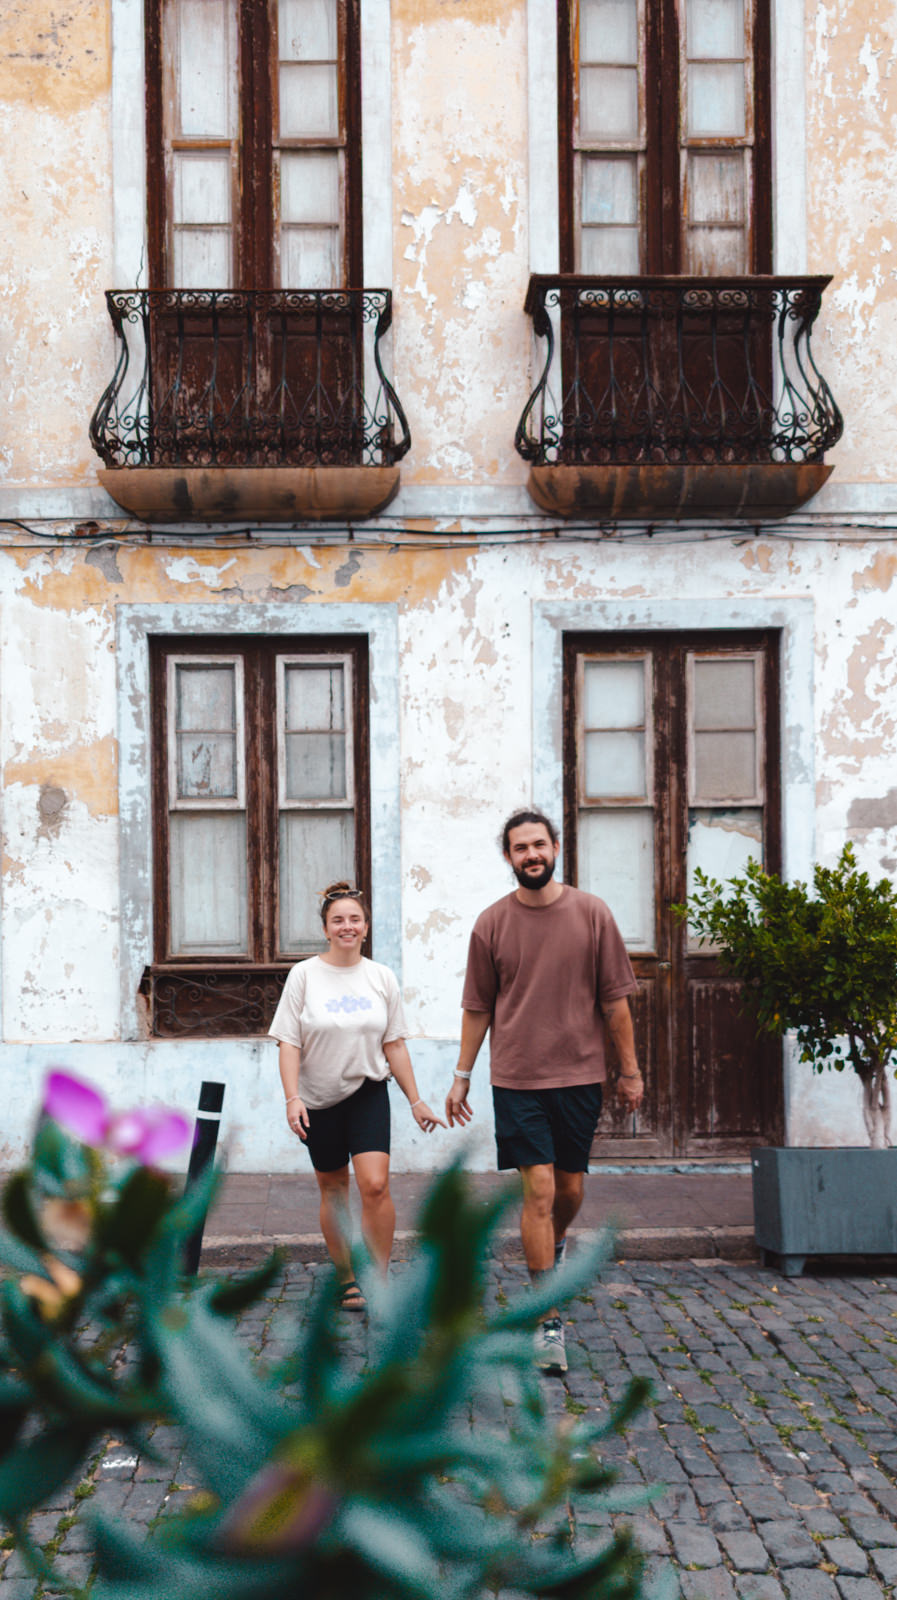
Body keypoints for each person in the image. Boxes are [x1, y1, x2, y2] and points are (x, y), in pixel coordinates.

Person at [445, 809, 644, 1373]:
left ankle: (549, 1248)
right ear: (508, 857)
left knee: (570, 1191)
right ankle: (545, 1319)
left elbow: (615, 1003)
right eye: (519, 848)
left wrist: (628, 1071)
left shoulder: (592, 913)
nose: (530, 855)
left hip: (580, 1076)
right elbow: (477, 1007)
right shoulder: (491, 924)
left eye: (538, 844)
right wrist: (461, 1075)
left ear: (555, 848)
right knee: (536, 1190)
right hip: (517, 1079)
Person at [270, 881, 445, 1310]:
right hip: (316, 1099)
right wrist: (292, 1098)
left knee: (375, 1184)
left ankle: (378, 1281)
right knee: (333, 1189)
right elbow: (288, 1042)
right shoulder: (304, 976)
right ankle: (347, 1278)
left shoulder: (381, 977)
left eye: (354, 919)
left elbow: (395, 1044)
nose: (347, 927)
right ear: (326, 929)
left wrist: (416, 1099)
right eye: (338, 920)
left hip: (367, 1091)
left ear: (365, 927)